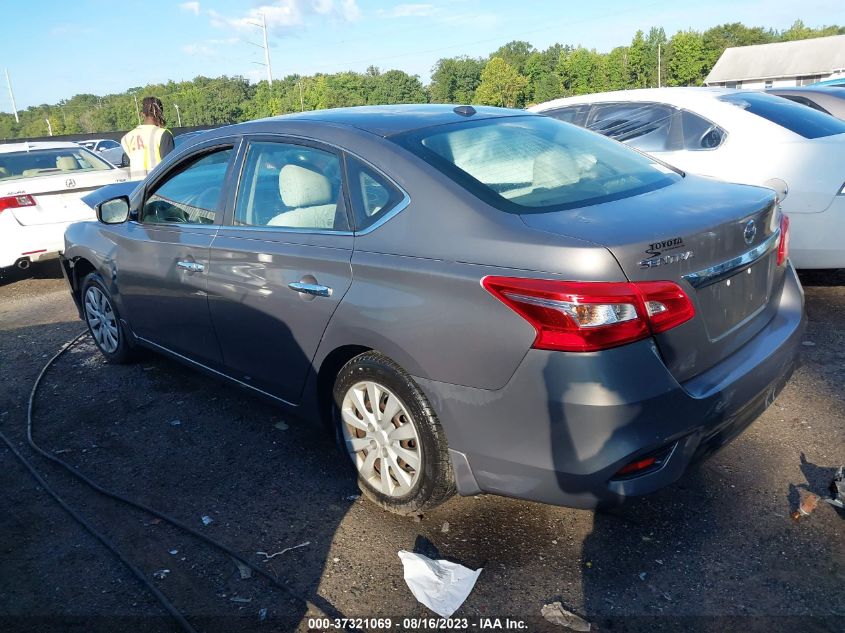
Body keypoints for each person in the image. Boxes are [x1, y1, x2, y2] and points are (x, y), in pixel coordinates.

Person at [120, 96, 175, 179]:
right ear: (161, 113)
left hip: (137, 187)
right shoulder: (163, 134)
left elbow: (129, 161)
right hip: (157, 185)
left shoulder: (127, 137)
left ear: (142, 114)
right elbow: (170, 165)